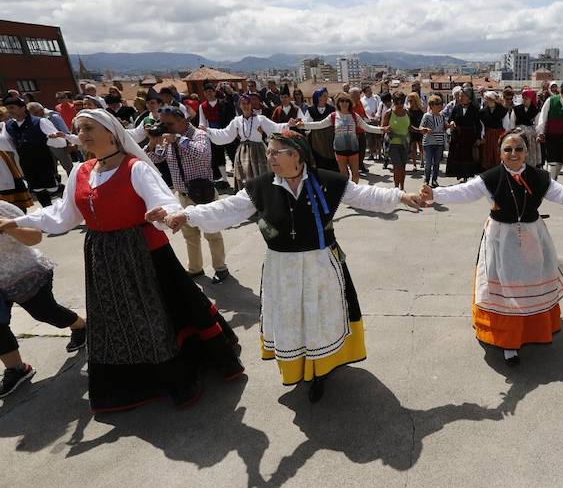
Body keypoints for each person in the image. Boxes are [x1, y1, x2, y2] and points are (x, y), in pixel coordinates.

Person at [0, 109, 243, 412]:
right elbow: (63, 216)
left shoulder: (135, 168)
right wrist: (21, 222)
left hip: (144, 253)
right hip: (104, 257)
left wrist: (166, 215)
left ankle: (176, 372)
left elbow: (162, 200)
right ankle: (134, 379)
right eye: (79, 128)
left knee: (158, 315)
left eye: (89, 127)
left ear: (111, 133)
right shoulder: (81, 171)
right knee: (118, 318)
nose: (82, 133)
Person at [159, 134, 422, 402]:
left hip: (320, 266)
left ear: (295, 155)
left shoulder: (326, 181)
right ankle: (299, 368)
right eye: (269, 152)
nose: (269, 157)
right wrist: (187, 214)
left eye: (275, 153)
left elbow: (365, 195)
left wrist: (402, 195)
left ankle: (320, 371)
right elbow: (227, 208)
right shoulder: (260, 187)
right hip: (282, 269)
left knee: (319, 319)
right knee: (292, 320)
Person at [421, 130, 563, 365]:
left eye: (518, 149)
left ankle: (531, 330)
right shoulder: (490, 177)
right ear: (500, 154)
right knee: (505, 287)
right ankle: (508, 342)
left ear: (527, 152)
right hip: (500, 239)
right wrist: (435, 193)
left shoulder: (540, 176)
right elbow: (463, 192)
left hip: (532, 236)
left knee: (529, 281)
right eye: (508, 149)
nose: (513, 153)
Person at [146, 106, 230, 283]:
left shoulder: (198, 135)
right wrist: (153, 142)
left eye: (169, 123)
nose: (165, 127)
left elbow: (203, 154)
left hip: (202, 194)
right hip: (183, 195)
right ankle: (195, 269)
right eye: (163, 123)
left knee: (212, 232)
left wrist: (178, 139)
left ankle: (221, 268)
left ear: (183, 121)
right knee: (190, 236)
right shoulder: (167, 139)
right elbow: (156, 159)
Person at [0, 199, 87, 362]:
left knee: (45, 313)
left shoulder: (3, 208)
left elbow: (35, 237)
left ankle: (80, 325)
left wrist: (8, 227)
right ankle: (16, 369)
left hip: (25, 275)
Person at [202, 94, 298, 191]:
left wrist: (288, 124)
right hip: (243, 153)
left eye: (247, 103)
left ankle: (264, 195)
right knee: (245, 176)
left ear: (251, 105)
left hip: (259, 151)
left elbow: (274, 128)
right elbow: (226, 134)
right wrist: (209, 131)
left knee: (262, 175)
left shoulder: (260, 119)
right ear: (239, 105)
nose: (245, 105)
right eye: (243, 103)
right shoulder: (237, 121)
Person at [295, 92, 387, 184]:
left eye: (346, 101)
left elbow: (367, 127)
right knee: (344, 176)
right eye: (341, 101)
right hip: (339, 150)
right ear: (338, 103)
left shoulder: (355, 116)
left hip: (353, 149)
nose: (344, 103)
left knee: (355, 175)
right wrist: (303, 125)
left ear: (350, 103)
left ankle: (353, 193)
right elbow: (320, 124)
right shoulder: (333, 116)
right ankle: (346, 193)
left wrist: (382, 130)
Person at [2, 97, 62, 207]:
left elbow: (61, 142)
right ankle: (47, 213)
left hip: (44, 161)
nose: (9, 111)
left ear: (22, 108)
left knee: (53, 188)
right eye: (7, 108)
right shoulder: (8, 125)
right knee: (38, 190)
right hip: (26, 163)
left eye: (12, 108)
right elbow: (7, 144)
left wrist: (54, 138)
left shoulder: (40, 121)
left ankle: (65, 207)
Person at [536, 73, 563, 180]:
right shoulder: (551, 101)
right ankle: (551, 183)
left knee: (559, 163)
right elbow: (543, 117)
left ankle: (553, 179)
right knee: (552, 163)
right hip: (550, 136)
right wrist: (541, 133)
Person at [27, 101, 79, 178]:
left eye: (35, 113)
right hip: (47, 147)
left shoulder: (54, 117)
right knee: (52, 169)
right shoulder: (36, 120)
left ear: (41, 110)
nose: (35, 116)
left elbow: (65, 131)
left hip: (61, 146)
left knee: (68, 167)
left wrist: (69, 144)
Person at [446, 88, 481, 181]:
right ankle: (459, 173)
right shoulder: (457, 107)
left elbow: (478, 124)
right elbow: (451, 118)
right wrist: (452, 122)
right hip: (457, 136)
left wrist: (478, 138)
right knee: (457, 155)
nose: (460, 98)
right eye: (459, 96)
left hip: (468, 136)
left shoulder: (474, 109)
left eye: (463, 96)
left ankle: (465, 176)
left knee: (467, 156)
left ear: (469, 98)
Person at [381, 92, 412, 190]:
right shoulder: (388, 113)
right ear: (393, 102)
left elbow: (409, 127)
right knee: (397, 167)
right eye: (397, 102)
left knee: (403, 167)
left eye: (402, 102)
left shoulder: (407, 112)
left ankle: (402, 188)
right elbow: (382, 128)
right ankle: (395, 188)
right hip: (392, 144)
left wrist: (420, 130)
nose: (399, 105)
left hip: (405, 143)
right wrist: (386, 129)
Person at [0, 121, 32, 211]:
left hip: (7, 172)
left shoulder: (1, 138)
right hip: (7, 173)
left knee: (14, 203)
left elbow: (11, 154)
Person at [479, 91, 511, 170]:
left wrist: (505, 136)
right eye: (485, 99)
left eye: (488, 99)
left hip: (499, 135)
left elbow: (506, 125)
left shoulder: (503, 111)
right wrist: (482, 135)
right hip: (488, 135)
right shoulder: (482, 112)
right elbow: (482, 125)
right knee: (487, 154)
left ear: (493, 100)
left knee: (498, 154)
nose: (486, 101)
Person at [420, 95, 447, 187]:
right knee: (428, 163)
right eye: (437, 104)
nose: (440, 106)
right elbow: (421, 128)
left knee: (436, 163)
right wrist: (426, 129)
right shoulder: (427, 116)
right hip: (428, 143)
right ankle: (426, 180)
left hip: (439, 143)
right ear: (431, 105)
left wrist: (450, 124)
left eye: (441, 104)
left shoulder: (442, 116)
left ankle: (434, 180)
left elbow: (445, 126)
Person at [511, 88, 542, 167]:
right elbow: (512, 122)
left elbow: (537, 125)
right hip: (518, 134)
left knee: (530, 155)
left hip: (531, 137)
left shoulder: (536, 111)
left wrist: (537, 134)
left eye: (526, 98)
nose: (524, 100)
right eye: (523, 98)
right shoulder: (516, 109)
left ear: (531, 99)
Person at [407, 93, 426, 171]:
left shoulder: (421, 110)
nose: (410, 101)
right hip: (412, 130)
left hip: (420, 130)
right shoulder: (409, 110)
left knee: (421, 147)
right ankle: (414, 164)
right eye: (409, 100)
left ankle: (422, 160)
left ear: (416, 100)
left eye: (411, 100)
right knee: (413, 148)